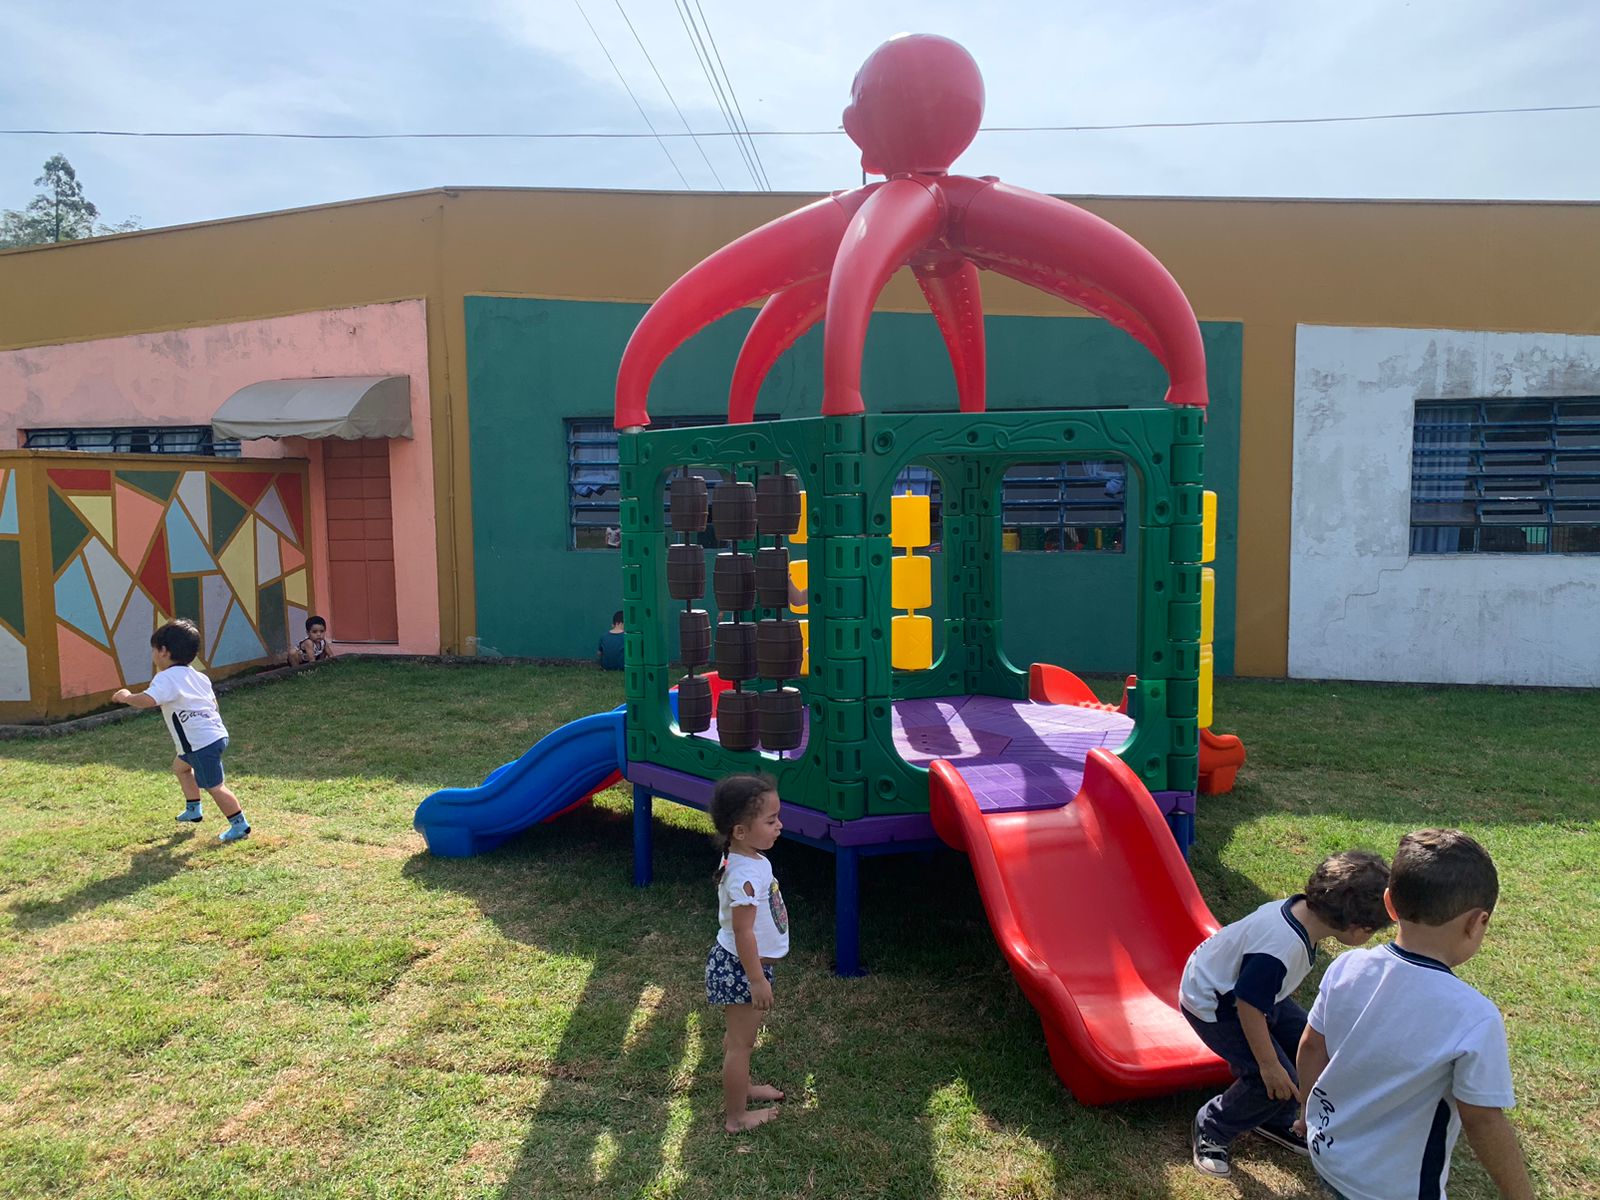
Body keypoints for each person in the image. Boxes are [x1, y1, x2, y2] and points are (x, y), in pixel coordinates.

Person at [1296, 830, 1534, 1200]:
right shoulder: (1474, 1018)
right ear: (1477, 922)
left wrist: (1305, 1112)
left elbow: (1311, 1048)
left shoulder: (1347, 966)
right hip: (1391, 1190)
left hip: (1327, 1154)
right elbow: (1482, 1119)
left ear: (1389, 904)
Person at [1180, 849, 1392, 1178]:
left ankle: (1271, 1118)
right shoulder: (1281, 949)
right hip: (1216, 1004)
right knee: (1272, 1079)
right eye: (1372, 930)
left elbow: (1257, 992)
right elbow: (1248, 1007)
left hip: (1254, 994)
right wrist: (1268, 1065)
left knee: (1307, 1047)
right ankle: (1213, 1126)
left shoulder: (1303, 911)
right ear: (1354, 927)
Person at [112, 619, 252, 844]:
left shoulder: (166, 678)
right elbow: (213, 704)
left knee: (215, 786)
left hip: (199, 744)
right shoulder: (199, 676)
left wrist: (126, 697)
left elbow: (148, 700)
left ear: (164, 651)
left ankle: (239, 825)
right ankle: (193, 809)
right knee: (181, 767)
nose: (154, 655)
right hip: (214, 736)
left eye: (154, 650)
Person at [705, 773, 789, 1133]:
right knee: (741, 1044)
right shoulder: (745, 877)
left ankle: (743, 1087)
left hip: (743, 967)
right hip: (741, 970)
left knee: (738, 1039)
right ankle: (736, 1117)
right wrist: (756, 979)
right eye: (770, 821)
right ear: (740, 831)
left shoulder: (749, 858)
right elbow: (742, 932)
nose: (779, 826)